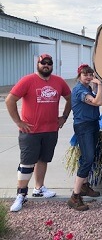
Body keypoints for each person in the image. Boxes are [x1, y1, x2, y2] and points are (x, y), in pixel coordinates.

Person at [5, 54, 71, 212]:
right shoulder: (27, 80)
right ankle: (21, 195)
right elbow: (10, 100)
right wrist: (18, 122)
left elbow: (70, 98)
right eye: (43, 63)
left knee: (43, 160)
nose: (46, 65)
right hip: (30, 131)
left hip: (50, 130)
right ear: (38, 64)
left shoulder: (59, 81)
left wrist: (64, 117)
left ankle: (39, 188)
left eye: (49, 63)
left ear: (52, 65)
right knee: (27, 163)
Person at [67, 64, 102, 211]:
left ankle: (84, 185)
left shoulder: (88, 88)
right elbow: (97, 102)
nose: (88, 77)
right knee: (88, 158)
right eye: (85, 74)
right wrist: (100, 85)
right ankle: (75, 197)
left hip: (93, 124)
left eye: (90, 74)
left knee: (87, 157)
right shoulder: (79, 90)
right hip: (84, 126)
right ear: (79, 75)